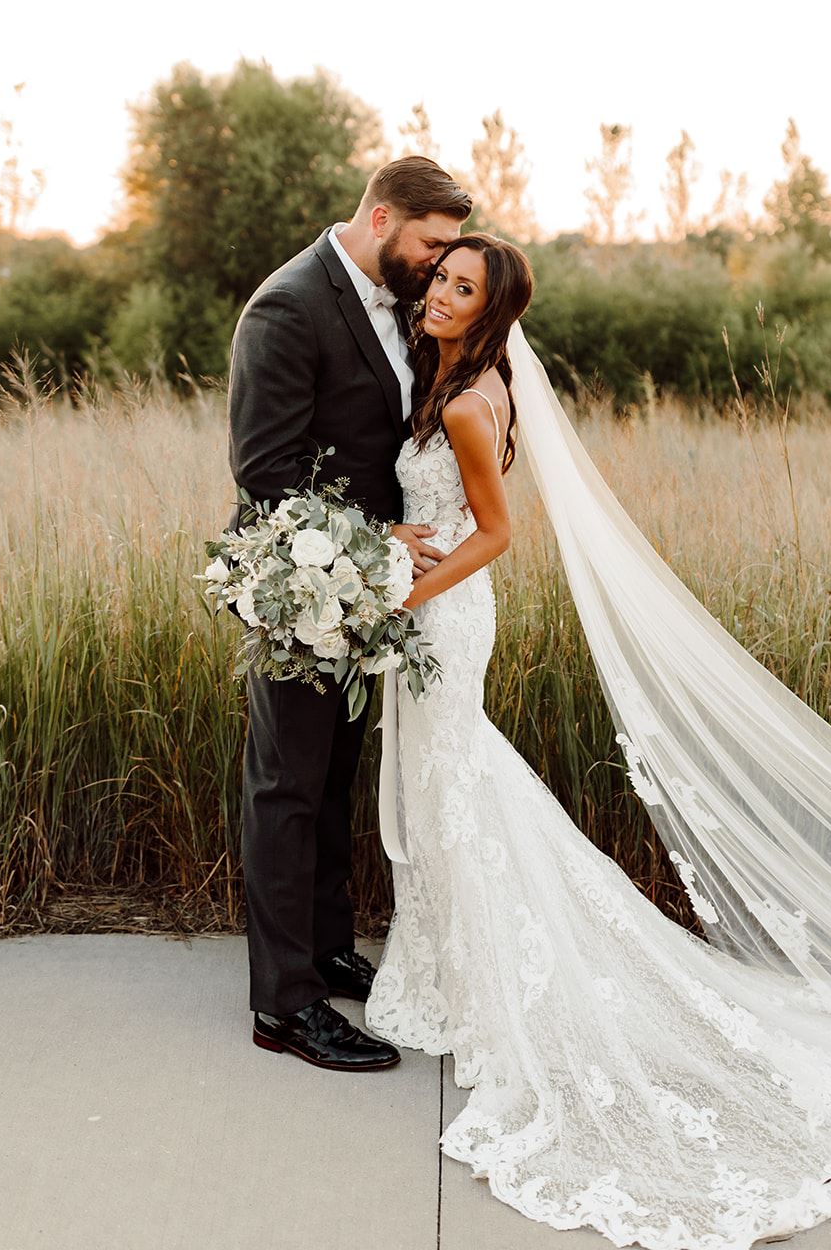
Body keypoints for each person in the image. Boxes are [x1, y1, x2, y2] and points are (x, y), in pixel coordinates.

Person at [364, 233, 831, 1249]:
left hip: (444, 614)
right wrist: (390, 541)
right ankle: (450, 967)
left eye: (461, 287)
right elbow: (433, 510)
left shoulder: (470, 402)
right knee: (444, 786)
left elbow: (496, 531)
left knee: (456, 782)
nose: (438, 292)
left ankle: (476, 981)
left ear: (490, 311)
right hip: (431, 604)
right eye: (439, 276)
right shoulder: (454, 379)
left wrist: (402, 596)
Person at [226, 155, 471, 1072]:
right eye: (431, 244)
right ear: (380, 220)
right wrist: (382, 537)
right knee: (286, 784)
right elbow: (265, 470)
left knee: (334, 773)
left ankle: (325, 947)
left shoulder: (392, 296)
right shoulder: (288, 306)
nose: (440, 262)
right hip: (299, 580)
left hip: (365, 584)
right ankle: (283, 1005)